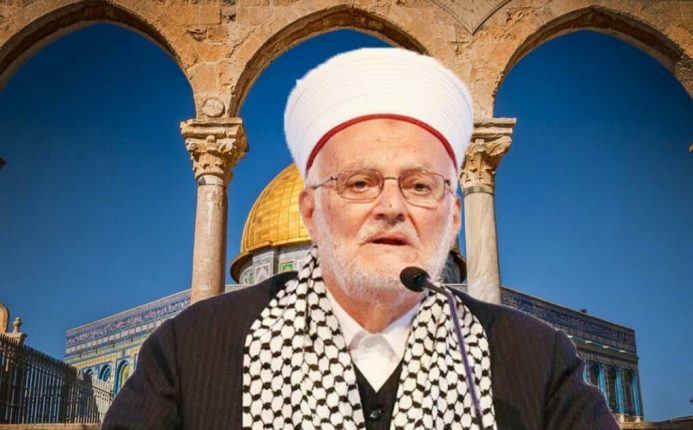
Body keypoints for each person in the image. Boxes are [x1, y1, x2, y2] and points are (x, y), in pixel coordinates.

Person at [103, 48, 618, 430]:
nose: (391, 206)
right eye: (359, 183)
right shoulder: (193, 350)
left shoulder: (535, 359)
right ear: (311, 212)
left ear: (454, 216)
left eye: (420, 186)